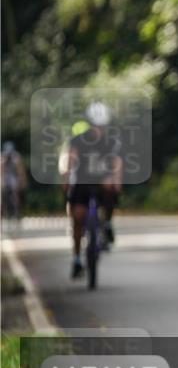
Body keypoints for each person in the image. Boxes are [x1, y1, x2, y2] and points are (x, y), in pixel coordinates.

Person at [64, 102, 122, 278]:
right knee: (78, 220)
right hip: (82, 182)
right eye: (96, 125)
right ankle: (76, 259)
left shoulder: (111, 142)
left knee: (110, 190)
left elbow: (117, 163)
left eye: (102, 126)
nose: (99, 129)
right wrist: (67, 178)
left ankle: (107, 223)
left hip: (101, 181)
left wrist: (116, 180)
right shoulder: (77, 140)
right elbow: (71, 160)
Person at [1, 142, 28, 221]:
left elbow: (20, 171)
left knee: (15, 190)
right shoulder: (2, 157)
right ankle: (3, 210)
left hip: (13, 178)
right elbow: (1, 171)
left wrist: (23, 181)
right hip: (5, 177)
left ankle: (17, 210)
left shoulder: (16, 157)